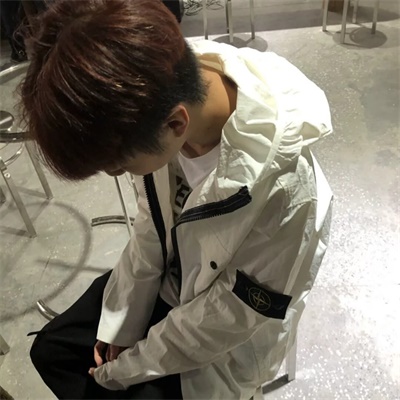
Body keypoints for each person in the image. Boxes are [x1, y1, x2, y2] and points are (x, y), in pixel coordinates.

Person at [20, 0, 333, 399]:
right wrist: (123, 326)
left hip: (223, 342)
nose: (119, 174)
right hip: (170, 283)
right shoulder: (156, 88)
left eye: (119, 166)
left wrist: (128, 367)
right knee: (52, 351)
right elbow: (151, 224)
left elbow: (226, 319)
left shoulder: (286, 192)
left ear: (175, 124)